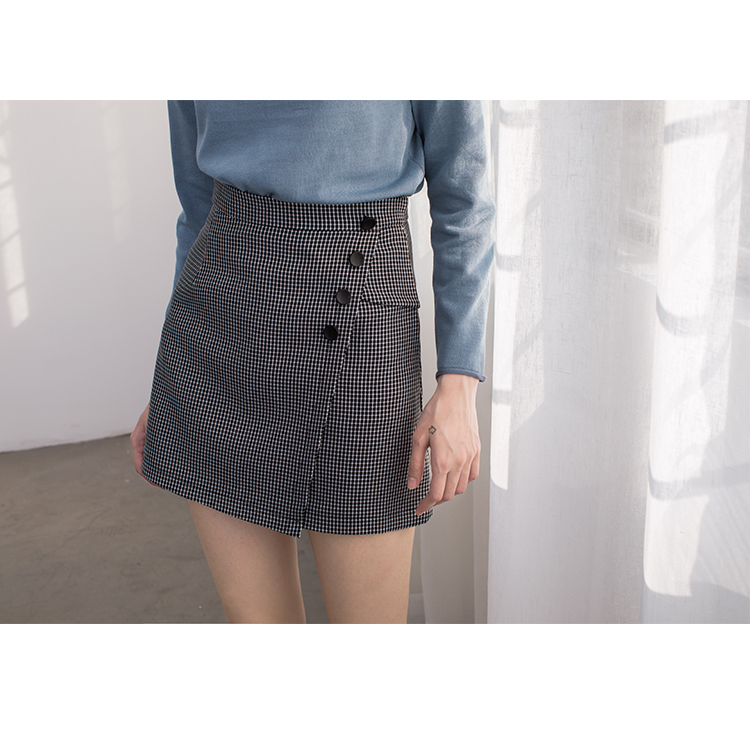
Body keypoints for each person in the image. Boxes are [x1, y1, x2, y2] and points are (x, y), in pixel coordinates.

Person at [130, 101, 495, 624]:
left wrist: (459, 383)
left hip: (361, 327)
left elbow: (464, 198)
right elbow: (197, 204)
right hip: (216, 324)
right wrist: (168, 386)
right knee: (258, 625)